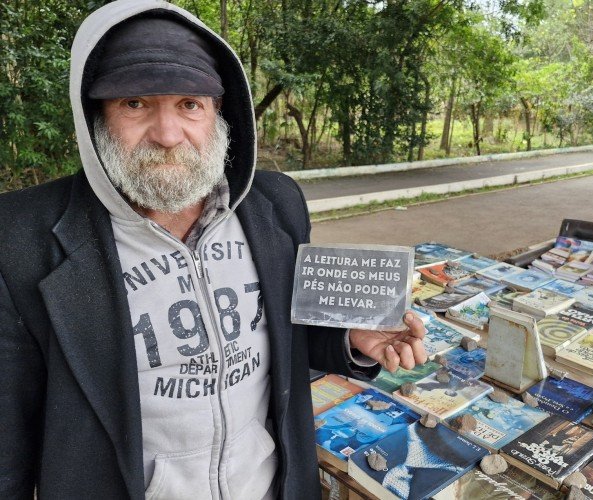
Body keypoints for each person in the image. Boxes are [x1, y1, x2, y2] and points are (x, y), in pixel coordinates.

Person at [0, 1, 427, 499]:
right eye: (134, 104)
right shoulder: (21, 239)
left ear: (219, 114)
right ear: (96, 116)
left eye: (189, 104)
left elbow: (281, 342)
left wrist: (349, 340)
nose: (166, 134)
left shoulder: (277, 205)